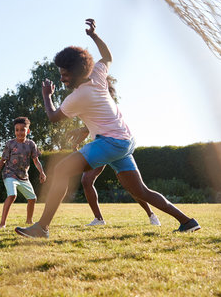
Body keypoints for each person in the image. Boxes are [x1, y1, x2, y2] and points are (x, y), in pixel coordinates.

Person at [15, 19, 200, 238]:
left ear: (76, 72)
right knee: (140, 191)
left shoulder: (79, 95)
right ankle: (188, 222)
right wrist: (94, 36)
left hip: (111, 142)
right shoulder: (98, 73)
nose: (62, 78)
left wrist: (47, 96)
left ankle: (42, 227)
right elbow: (108, 57)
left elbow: (54, 117)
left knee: (61, 170)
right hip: (123, 140)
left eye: (65, 74)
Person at [67, 76, 161, 227]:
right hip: (102, 146)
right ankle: (98, 219)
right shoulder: (89, 100)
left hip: (115, 146)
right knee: (86, 180)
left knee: (133, 187)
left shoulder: (106, 103)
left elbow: (101, 126)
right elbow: (90, 127)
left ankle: (151, 214)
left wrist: (80, 132)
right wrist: (77, 140)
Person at [0, 117, 47, 228]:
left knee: (32, 199)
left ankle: (29, 221)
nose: (19, 132)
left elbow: (36, 161)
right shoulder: (10, 144)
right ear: (14, 131)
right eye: (17, 130)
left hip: (23, 176)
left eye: (22, 130)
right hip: (9, 173)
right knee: (12, 195)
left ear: (27, 131)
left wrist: (42, 172)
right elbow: (3, 160)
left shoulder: (31, 144)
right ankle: (2, 223)